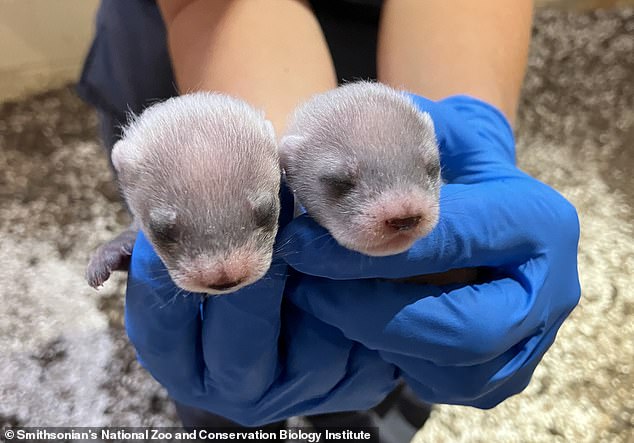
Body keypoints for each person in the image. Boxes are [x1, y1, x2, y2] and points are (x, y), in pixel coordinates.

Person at [78, 0, 581, 441]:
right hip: (200, 38)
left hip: (382, 61)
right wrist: (271, 172)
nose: (222, 269)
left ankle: (366, 416)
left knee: (390, 344)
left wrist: (473, 124)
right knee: (218, 363)